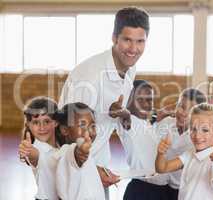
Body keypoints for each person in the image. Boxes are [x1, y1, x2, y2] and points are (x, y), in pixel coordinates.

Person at [58, 6, 150, 194]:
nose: (134, 49)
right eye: (127, 40)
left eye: (140, 41)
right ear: (114, 38)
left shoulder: (130, 68)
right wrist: (90, 169)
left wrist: (122, 114)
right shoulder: (89, 78)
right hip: (76, 167)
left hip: (99, 162)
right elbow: (68, 134)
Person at [155, 103, 213, 200]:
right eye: (193, 129)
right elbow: (162, 168)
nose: (197, 136)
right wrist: (161, 153)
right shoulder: (190, 153)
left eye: (205, 130)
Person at [117, 80, 170, 200]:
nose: (146, 104)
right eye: (140, 100)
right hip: (143, 189)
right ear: (128, 101)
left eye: (149, 100)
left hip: (160, 189)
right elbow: (123, 114)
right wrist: (120, 108)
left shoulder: (148, 123)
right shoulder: (129, 123)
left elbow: (156, 115)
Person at [155, 88, 206, 199]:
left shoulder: (200, 137)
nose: (184, 113)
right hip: (164, 186)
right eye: (181, 106)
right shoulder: (166, 123)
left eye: (191, 110)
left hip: (187, 191)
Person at [55, 102, 105, 200]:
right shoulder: (66, 152)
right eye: (82, 125)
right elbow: (75, 155)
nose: (90, 131)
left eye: (93, 126)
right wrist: (80, 152)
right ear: (65, 130)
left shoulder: (87, 155)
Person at [18, 96, 60, 200]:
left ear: (55, 122)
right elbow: (35, 156)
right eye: (36, 122)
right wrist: (29, 151)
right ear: (28, 125)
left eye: (46, 121)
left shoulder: (62, 144)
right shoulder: (35, 148)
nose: (42, 127)